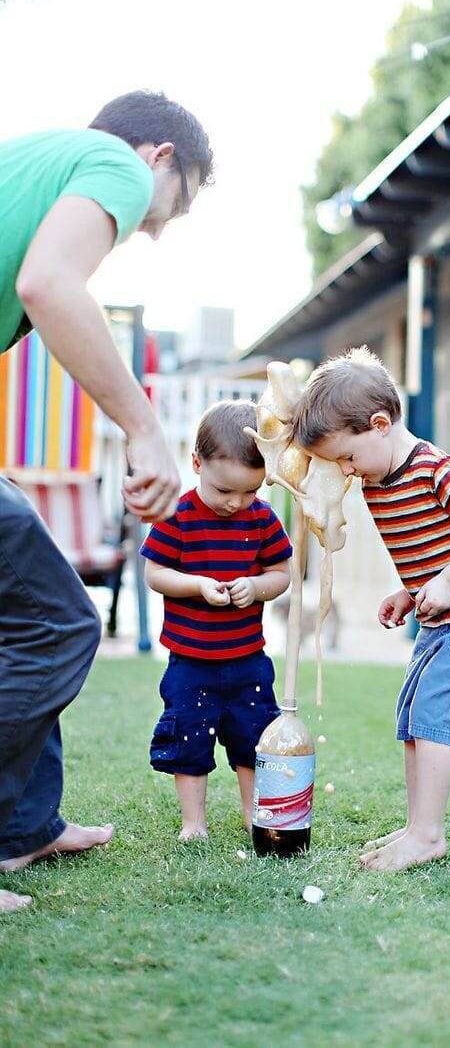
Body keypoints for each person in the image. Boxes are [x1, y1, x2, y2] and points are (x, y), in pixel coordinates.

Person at [0, 91, 212, 912]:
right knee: (57, 620)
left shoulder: (39, 167)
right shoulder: (115, 163)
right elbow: (50, 284)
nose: (155, 229)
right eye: (177, 204)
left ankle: (22, 826)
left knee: (30, 610)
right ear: (158, 156)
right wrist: (145, 428)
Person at [292, 346, 450, 872]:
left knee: (436, 715)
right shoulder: (377, 478)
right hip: (442, 616)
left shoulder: (435, 467)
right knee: (414, 714)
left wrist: (448, 579)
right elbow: (430, 542)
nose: (346, 471)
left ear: (380, 424)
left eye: (347, 456)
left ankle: (428, 836)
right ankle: (419, 826)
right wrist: (411, 589)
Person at [141, 401, 292, 840]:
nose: (235, 503)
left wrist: (256, 586)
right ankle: (194, 823)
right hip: (191, 661)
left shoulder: (263, 518)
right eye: (224, 490)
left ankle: (254, 814)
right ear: (196, 464)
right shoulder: (177, 515)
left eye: (249, 491)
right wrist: (197, 585)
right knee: (188, 739)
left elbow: (280, 574)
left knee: (253, 739)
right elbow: (155, 573)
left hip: (247, 659)